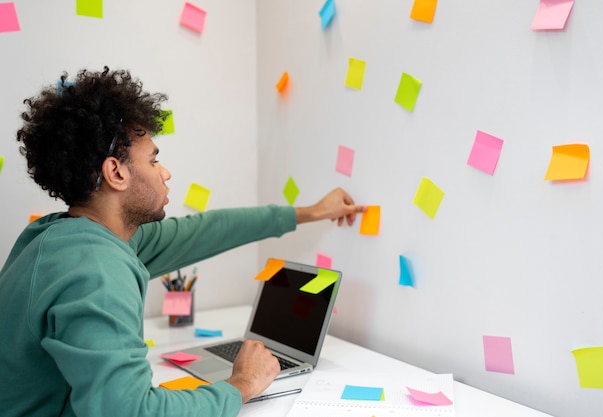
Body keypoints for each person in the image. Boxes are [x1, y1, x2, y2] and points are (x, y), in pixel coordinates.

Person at [0, 67, 365, 417]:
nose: (165, 172)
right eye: (154, 160)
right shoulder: (96, 270)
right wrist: (241, 385)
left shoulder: (61, 237)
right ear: (116, 172)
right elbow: (131, 412)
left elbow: (208, 229)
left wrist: (311, 212)